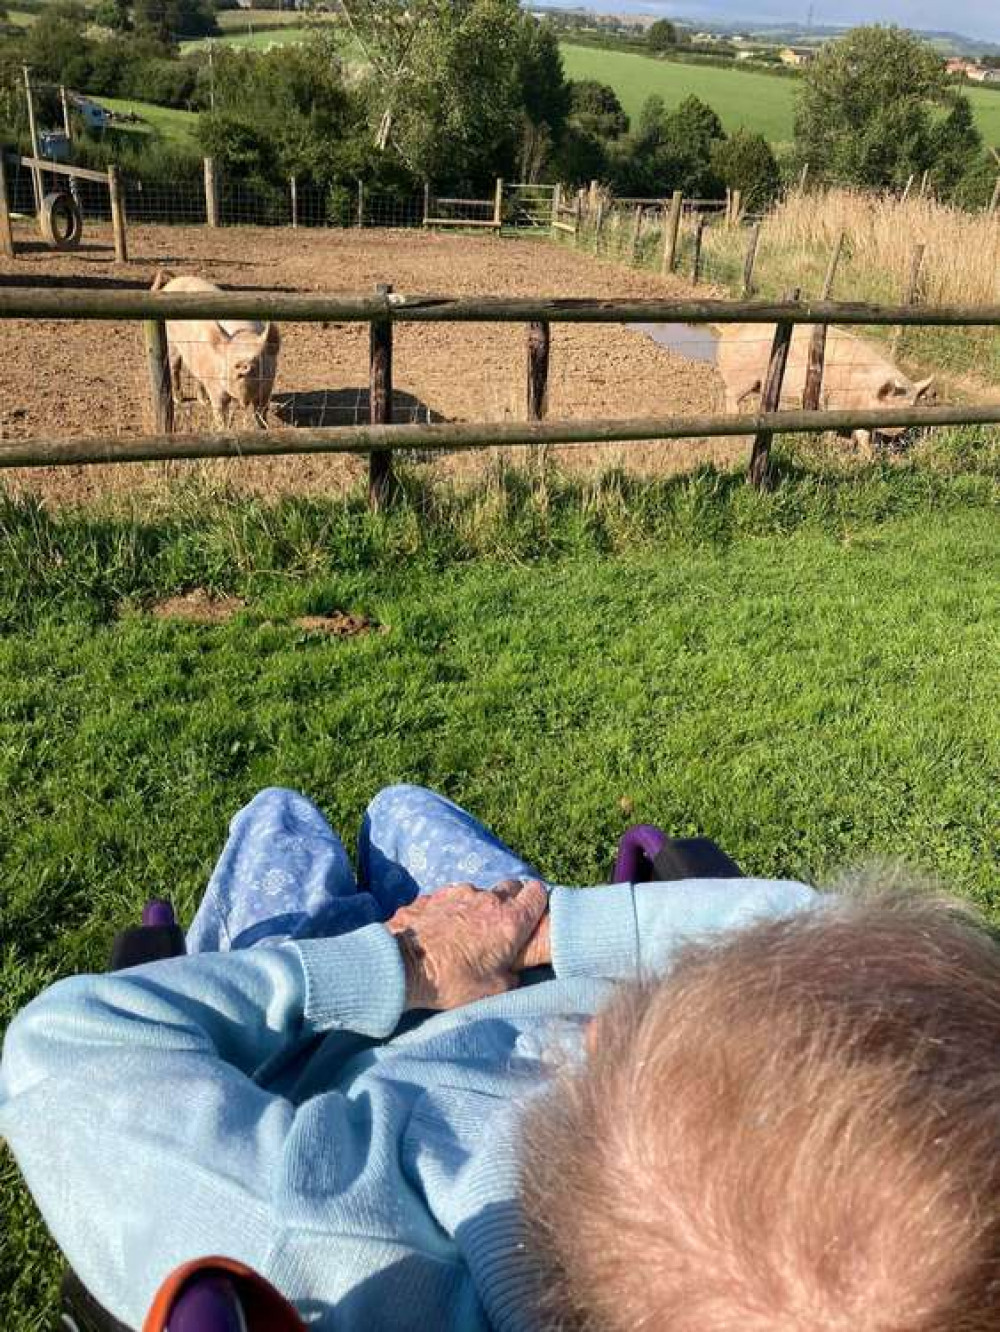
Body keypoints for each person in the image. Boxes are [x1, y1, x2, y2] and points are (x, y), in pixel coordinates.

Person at [2, 787, 997, 1331]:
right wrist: (555, 931)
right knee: (402, 810)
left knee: (286, 819)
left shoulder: (329, 1239)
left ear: (591, 1053)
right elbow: (811, 924)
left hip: (310, 1024)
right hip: (514, 957)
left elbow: (61, 1052)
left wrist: (412, 958)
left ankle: (324, 833)